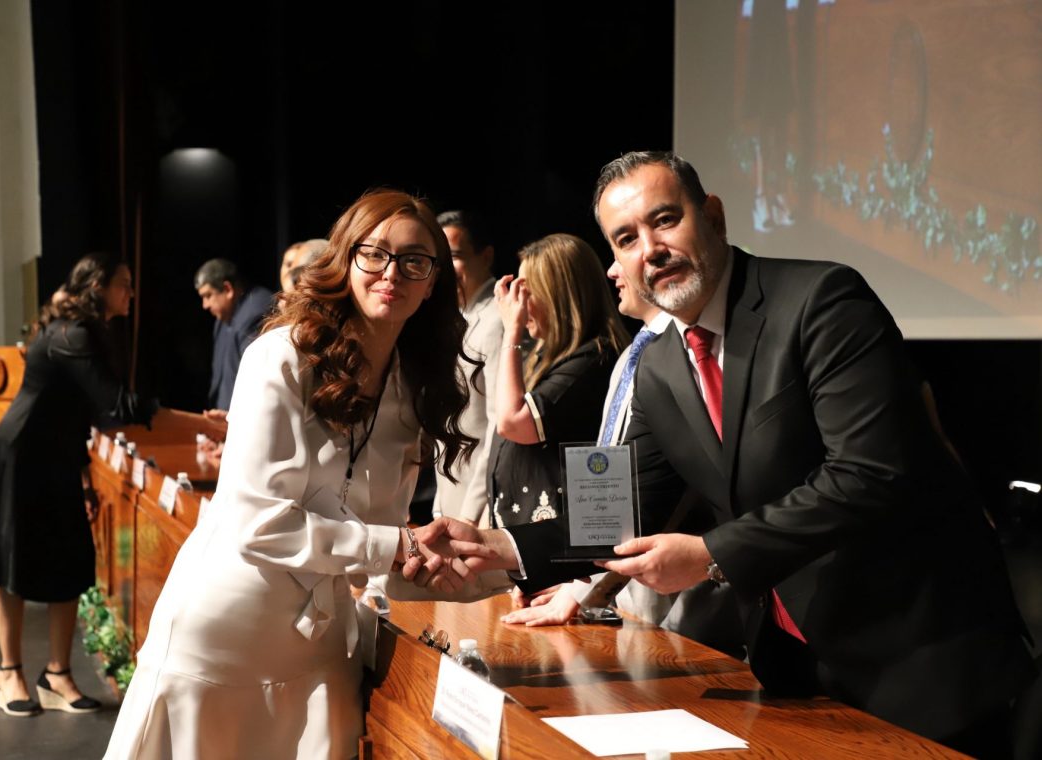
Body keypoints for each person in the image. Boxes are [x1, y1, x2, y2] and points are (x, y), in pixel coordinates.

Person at [421, 151, 1036, 756]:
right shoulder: (659, 364)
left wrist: (713, 554)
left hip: (924, 658)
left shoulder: (822, 299)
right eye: (627, 238)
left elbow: (868, 473)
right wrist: (496, 546)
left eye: (665, 220)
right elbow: (620, 513)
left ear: (712, 216)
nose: (650, 250)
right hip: (800, 670)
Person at [104, 190, 510, 759]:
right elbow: (259, 525)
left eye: (415, 260)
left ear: (433, 282)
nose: (392, 272)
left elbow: (371, 543)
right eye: (375, 253)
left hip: (320, 647)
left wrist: (443, 563)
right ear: (345, 259)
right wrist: (400, 546)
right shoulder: (280, 357)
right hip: (225, 633)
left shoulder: (411, 383)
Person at [500, 261, 744, 658]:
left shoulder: (682, 355)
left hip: (679, 586)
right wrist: (577, 584)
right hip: (622, 584)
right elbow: (607, 472)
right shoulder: (634, 353)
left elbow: (655, 488)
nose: (612, 271)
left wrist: (581, 587)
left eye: (624, 248)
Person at [0, 253, 158, 717]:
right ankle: (9, 672)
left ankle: (57, 675)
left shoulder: (91, 332)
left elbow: (78, 412)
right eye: (124, 283)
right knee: (13, 561)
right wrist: (198, 423)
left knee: (71, 560)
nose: (131, 292)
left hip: (60, 457)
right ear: (98, 287)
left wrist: (84, 479)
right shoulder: (72, 334)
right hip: (22, 454)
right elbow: (116, 406)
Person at [488, 233, 626, 530]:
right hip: (525, 537)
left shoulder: (594, 358)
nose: (518, 304)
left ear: (558, 295)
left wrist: (512, 331)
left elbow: (512, 422)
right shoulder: (547, 356)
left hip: (559, 545)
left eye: (527, 292)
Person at [430, 210, 502, 524]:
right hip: (451, 502)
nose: (445, 270)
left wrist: (471, 514)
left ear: (486, 257)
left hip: (485, 509)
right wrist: (439, 506)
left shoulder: (500, 318)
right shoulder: (452, 319)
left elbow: (499, 425)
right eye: (439, 261)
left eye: (455, 257)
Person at [194, 258, 274, 411]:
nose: (205, 305)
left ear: (228, 289)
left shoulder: (256, 312)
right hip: (225, 418)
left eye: (208, 295)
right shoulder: (223, 318)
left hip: (245, 417)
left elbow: (256, 380)